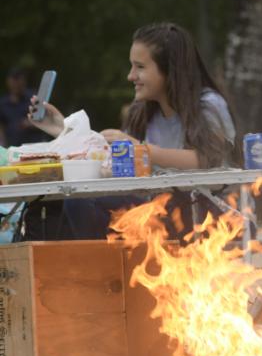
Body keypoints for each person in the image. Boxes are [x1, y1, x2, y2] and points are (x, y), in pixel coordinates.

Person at [28, 22, 238, 239]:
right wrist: (64, 129)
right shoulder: (142, 111)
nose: (130, 76)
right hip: (155, 210)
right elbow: (113, 158)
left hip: (205, 215)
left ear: (170, 69)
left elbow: (207, 160)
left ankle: (95, 268)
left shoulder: (208, 104)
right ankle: (85, 269)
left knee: (85, 203)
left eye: (140, 67)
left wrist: (140, 149)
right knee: (72, 199)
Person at [0, 68, 49, 147]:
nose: (16, 84)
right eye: (13, 81)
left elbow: (46, 120)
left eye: (18, 81)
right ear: (8, 82)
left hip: (35, 145)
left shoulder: (34, 98)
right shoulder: (3, 103)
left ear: (24, 81)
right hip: (13, 147)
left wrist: (30, 123)